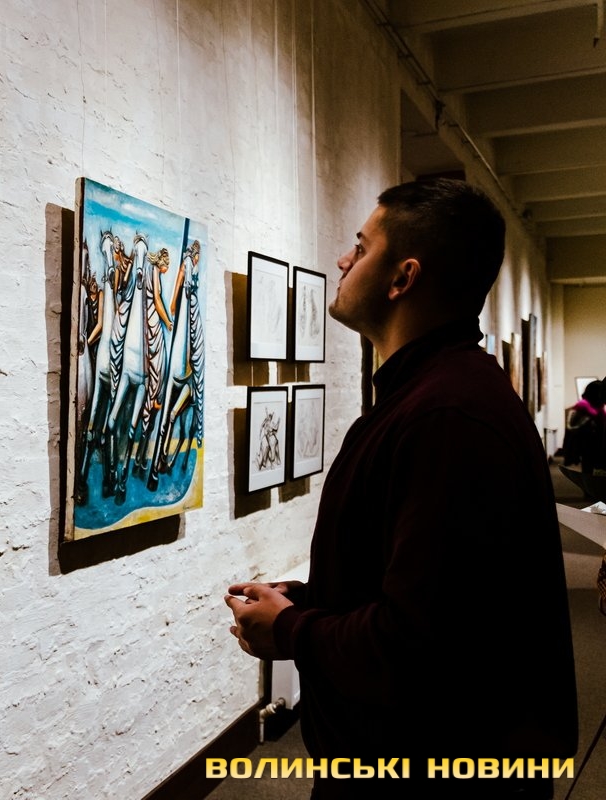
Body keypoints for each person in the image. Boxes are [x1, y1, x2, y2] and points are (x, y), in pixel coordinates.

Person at [225, 179, 577, 799]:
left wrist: (291, 630)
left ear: (402, 278)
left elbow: (420, 645)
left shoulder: (447, 417)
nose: (343, 260)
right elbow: (436, 589)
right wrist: (311, 599)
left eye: (361, 248)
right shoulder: (433, 397)